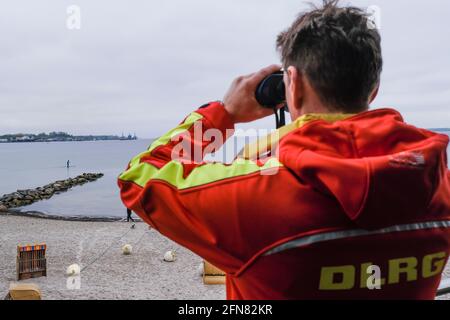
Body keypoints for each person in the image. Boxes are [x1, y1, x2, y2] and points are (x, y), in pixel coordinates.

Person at [118, 0, 450, 299]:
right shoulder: (438, 184)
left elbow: (139, 178)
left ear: (294, 82)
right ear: (374, 88)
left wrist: (224, 114)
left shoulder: (253, 197)